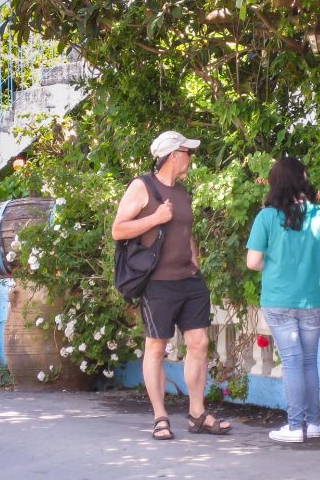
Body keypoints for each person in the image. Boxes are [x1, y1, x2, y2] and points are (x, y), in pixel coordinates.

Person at [112, 130, 231, 440]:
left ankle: (196, 413)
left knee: (199, 343)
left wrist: (194, 259)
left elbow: (186, 229)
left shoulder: (182, 191)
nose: (191, 158)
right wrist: (155, 218)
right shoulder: (143, 187)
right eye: (187, 152)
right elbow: (118, 230)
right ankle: (160, 417)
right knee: (156, 347)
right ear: (174, 155)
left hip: (188, 280)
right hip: (158, 284)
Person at [245, 157, 320, 442]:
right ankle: (313, 423)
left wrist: (276, 266)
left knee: (291, 360)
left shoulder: (266, 217)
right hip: (311, 299)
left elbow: (253, 262)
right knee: (309, 360)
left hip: (278, 299)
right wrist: (308, 265)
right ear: (303, 179)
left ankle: (295, 426)